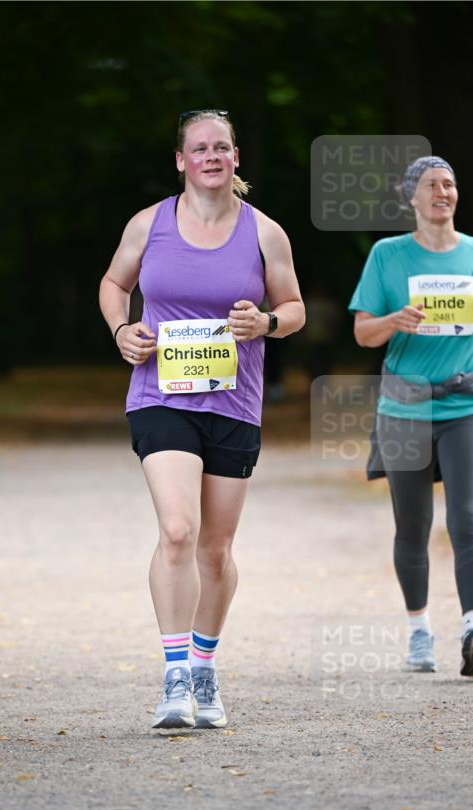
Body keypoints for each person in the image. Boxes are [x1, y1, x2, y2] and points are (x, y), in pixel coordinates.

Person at [99, 109, 304, 728]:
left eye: (221, 147)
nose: (211, 157)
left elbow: (293, 307)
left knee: (214, 551)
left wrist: (265, 322)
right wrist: (122, 330)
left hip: (234, 404)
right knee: (178, 531)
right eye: (199, 148)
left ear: (236, 157)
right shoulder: (149, 224)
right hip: (160, 396)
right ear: (181, 161)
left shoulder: (265, 233)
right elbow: (113, 284)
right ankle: (174, 679)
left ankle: (204, 666)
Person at [350, 156, 473, 678]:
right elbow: (363, 333)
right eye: (431, 184)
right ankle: (419, 631)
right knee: (412, 525)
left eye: (450, 183)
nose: (443, 191)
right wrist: (394, 320)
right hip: (405, 407)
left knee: (466, 519)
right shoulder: (387, 255)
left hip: (468, 404)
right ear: (411, 196)